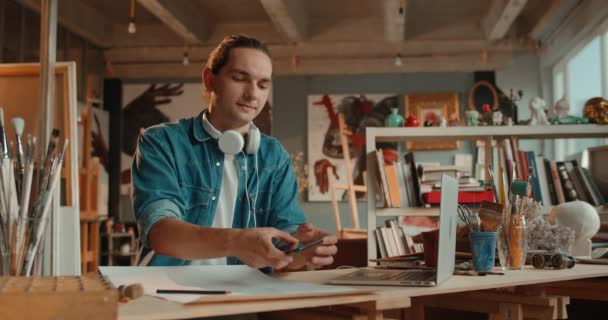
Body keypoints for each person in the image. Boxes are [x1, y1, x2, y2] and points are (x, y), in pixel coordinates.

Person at [131, 35, 338, 270]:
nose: (253, 94)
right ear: (210, 79)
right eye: (240, 78)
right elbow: (161, 233)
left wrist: (303, 251)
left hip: (244, 298)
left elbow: (285, 251)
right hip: (169, 296)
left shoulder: (274, 156)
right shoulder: (161, 141)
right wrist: (237, 241)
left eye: (263, 85)